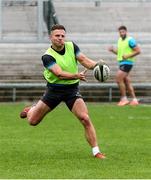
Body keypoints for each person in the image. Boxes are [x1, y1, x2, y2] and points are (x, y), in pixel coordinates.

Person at [20, 24, 106, 159]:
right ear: (50, 37)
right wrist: (76, 75)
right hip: (54, 90)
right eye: (57, 36)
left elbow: (84, 60)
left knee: (85, 118)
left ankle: (96, 151)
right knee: (33, 121)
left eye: (62, 36)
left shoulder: (71, 46)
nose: (60, 38)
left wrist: (97, 65)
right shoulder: (47, 56)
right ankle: (32, 109)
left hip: (72, 90)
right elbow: (58, 74)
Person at [108, 25, 141, 106]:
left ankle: (124, 99)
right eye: (120, 32)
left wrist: (128, 56)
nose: (121, 33)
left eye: (123, 32)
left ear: (126, 32)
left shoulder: (130, 40)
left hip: (127, 63)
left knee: (118, 79)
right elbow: (119, 53)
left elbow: (138, 50)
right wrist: (113, 50)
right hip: (122, 62)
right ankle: (134, 100)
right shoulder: (119, 40)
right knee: (127, 81)